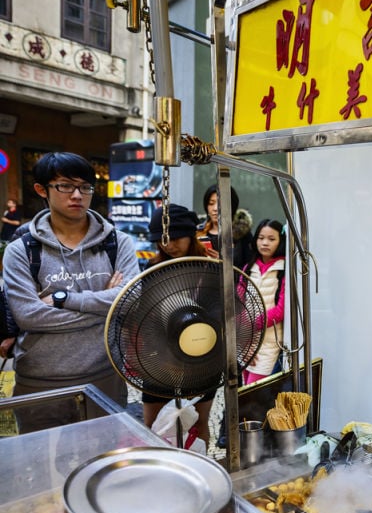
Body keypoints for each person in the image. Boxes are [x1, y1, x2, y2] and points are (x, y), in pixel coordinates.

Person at [2, 152, 139, 428]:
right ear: (42, 189)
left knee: (103, 464)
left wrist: (64, 300)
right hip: (40, 384)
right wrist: (107, 305)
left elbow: (132, 301)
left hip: (105, 378)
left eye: (85, 187)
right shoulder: (22, 251)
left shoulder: (118, 243)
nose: (77, 195)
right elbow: (29, 316)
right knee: (41, 467)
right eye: (65, 185)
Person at [141, 204, 215, 448]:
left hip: (203, 361)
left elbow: (223, 316)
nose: (168, 245)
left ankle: (200, 468)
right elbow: (144, 316)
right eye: (161, 240)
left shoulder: (211, 268)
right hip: (159, 364)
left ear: (191, 234)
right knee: (152, 426)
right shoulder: (153, 269)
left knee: (198, 422)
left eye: (174, 238)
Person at [239, 218, 286, 387]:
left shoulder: (285, 269)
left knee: (253, 393)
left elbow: (281, 311)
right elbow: (239, 303)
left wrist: (251, 325)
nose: (265, 243)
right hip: (246, 341)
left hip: (269, 343)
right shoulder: (248, 267)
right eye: (261, 238)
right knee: (245, 388)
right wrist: (244, 338)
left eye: (271, 239)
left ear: (281, 241)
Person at [197, 184, 254, 271]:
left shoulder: (242, 234)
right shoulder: (198, 232)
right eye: (211, 203)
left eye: (221, 203)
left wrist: (223, 262)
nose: (215, 208)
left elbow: (250, 268)